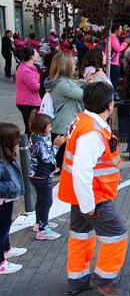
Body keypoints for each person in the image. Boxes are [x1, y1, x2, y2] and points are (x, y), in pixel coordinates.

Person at [58, 82, 126, 296]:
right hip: (94, 197)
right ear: (109, 105)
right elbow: (82, 170)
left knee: (81, 235)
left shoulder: (83, 120)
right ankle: (104, 280)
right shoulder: (93, 132)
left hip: (81, 195)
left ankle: (77, 282)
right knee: (116, 235)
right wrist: (88, 204)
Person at [28, 112, 66, 240]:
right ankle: (43, 230)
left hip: (39, 175)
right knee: (46, 201)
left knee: (41, 199)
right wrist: (57, 145)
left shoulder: (37, 136)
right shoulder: (38, 141)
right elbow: (46, 158)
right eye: (50, 126)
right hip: (41, 175)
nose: (51, 128)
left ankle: (39, 223)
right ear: (43, 127)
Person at [44, 52, 84, 170]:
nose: (75, 66)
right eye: (73, 64)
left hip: (62, 126)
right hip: (64, 128)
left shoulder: (59, 81)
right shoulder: (62, 84)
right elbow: (83, 94)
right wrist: (93, 82)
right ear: (65, 66)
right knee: (66, 166)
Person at [0, 123, 27, 275]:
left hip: (7, 199)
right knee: (2, 229)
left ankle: (6, 248)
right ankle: (1, 263)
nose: (18, 140)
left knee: (5, 226)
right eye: (16, 137)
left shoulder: (7, 154)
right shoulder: (1, 160)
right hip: (3, 199)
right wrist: (10, 188)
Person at [15, 47, 42, 134]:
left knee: (32, 127)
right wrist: (42, 83)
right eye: (36, 52)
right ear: (31, 56)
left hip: (30, 101)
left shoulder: (30, 66)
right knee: (31, 128)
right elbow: (35, 87)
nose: (38, 53)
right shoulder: (25, 70)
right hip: (28, 103)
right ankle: (27, 145)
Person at [110, 25, 130, 92]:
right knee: (114, 81)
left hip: (114, 62)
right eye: (120, 29)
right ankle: (112, 96)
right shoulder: (113, 37)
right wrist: (125, 43)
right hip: (113, 63)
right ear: (116, 30)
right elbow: (118, 49)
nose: (121, 31)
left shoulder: (114, 37)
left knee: (115, 80)